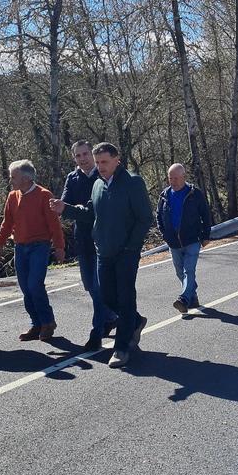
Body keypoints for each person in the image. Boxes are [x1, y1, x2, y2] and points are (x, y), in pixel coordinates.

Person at [52, 142, 153, 367]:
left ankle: (121, 348)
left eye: (104, 162)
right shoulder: (98, 184)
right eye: (98, 163)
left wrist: (131, 248)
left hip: (126, 253)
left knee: (125, 298)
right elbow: (90, 213)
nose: (100, 167)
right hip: (104, 252)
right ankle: (135, 321)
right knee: (107, 298)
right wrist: (66, 209)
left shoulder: (133, 183)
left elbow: (145, 218)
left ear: (117, 160)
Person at [0, 160, 65, 341]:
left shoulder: (43, 195)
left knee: (35, 284)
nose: (11, 180)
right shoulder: (12, 196)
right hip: (20, 246)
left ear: (26, 178)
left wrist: (59, 247)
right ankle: (36, 323)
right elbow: (7, 223)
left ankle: (48, 321)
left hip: (39, 247)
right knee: (26, 288)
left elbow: (54, 224)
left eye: (13, 177)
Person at [59, 140, 118, 350]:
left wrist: (75, 209)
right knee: (89, 286)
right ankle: (113, 316)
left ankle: (98, 330)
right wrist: (62, 207)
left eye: (85, 154)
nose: (82, 159)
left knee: (98, 286)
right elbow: (65, 204)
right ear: (74, 158)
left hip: (102, 239)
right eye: (78, 156)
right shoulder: (72, 178)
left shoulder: (102, 175)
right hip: (82, 239)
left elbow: (100, 208)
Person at [156, 163, 213, 315]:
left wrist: (206, 235)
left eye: (176, 178)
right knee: (179, 272)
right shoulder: (164, 195)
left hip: (192, 240)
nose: (172, 181)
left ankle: (183, 299)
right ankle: (191, 297)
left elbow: (205, 214)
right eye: (170, 178)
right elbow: (159, 216)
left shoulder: (194, 194)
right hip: (173, 242)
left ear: (184, 177)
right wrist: (164, 234)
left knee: (189, 270)